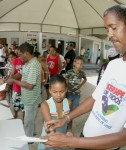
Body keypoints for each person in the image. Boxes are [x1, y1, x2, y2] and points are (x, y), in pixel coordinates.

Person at [43, 5, 126, 150]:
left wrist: (69, 142)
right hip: (85, 137)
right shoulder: (113, 66)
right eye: (107, 30)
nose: (109, 35)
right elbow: (94, 99)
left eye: (113, 27)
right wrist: (65, 119)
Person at [6, 42, 42, 137]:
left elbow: (30, 86)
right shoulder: (27, 63)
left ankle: (28, 140)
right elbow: (21, 73)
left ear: (26, 53)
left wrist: (13, 80)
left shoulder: (33, 65)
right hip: (27, 97)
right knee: (29, 119)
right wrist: (11, 77)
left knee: (28, 121)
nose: (19, 57)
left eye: (20, 55)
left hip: (32, 99)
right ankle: (31, 133)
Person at [38, 75, 72, 150]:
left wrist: (69, 131)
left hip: (61, 138)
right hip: (49, 139)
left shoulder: (68, 103)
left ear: (66, 89)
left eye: (62, 91)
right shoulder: (45, 105)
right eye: (55, 92)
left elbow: (69, 118)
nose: (58, 95)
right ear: (49, 90)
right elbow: (50, 126)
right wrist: (56, 140)